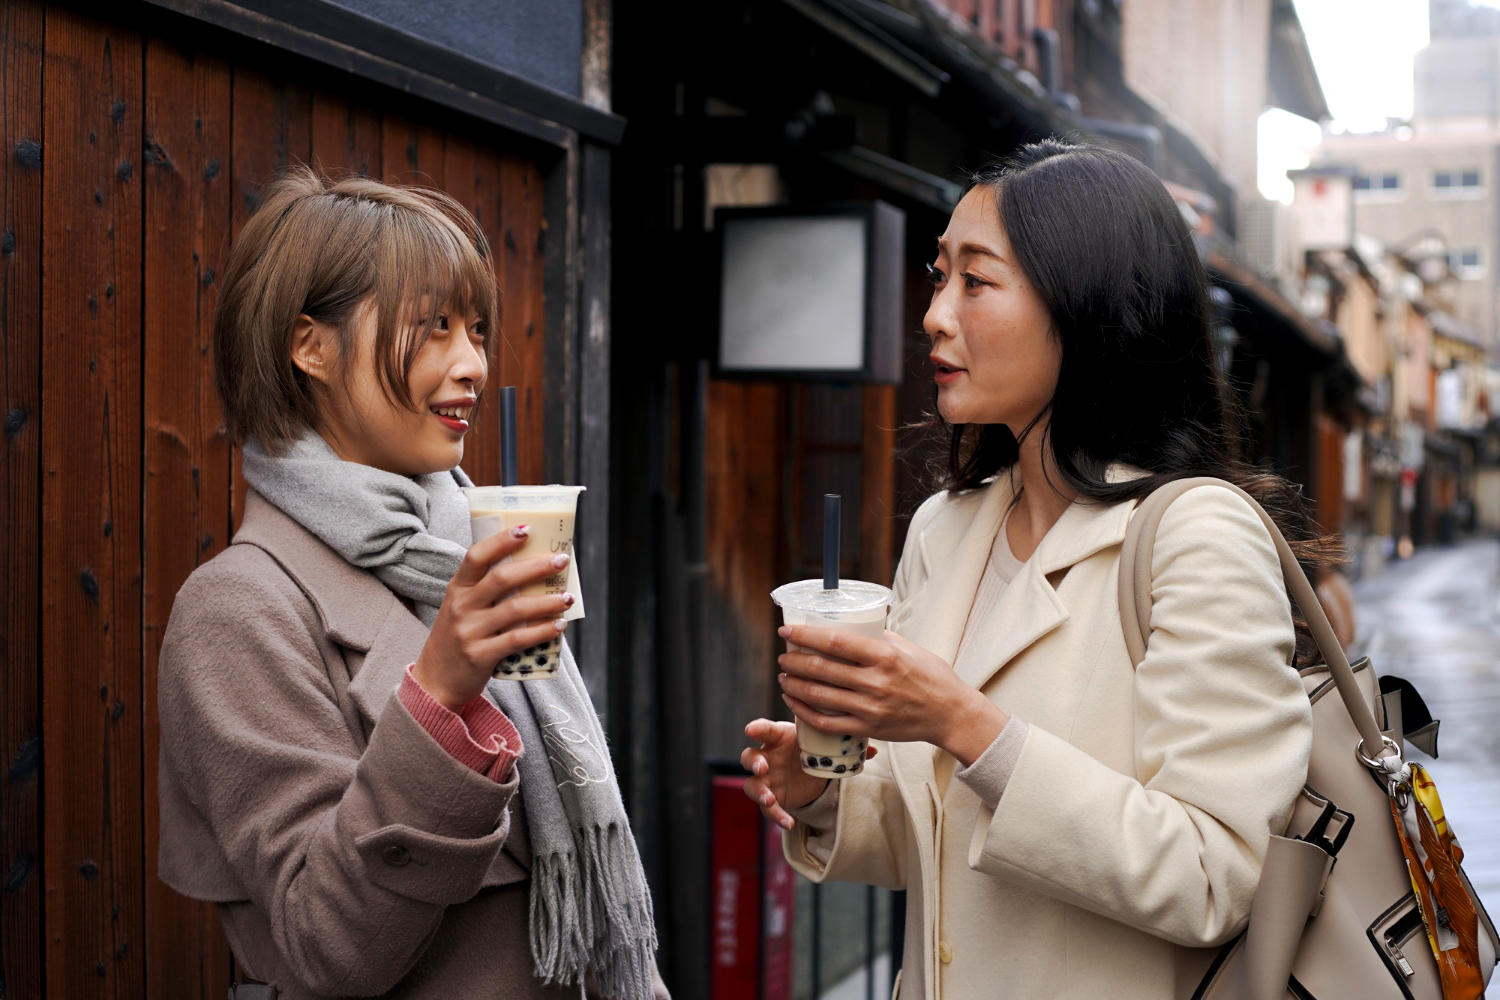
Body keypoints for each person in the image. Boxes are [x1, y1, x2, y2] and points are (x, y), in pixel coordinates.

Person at [740, 139, 1333, 1000]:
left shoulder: (1195, 534)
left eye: (975, 281)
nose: (935, 314)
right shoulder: (947, 528)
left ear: (1086, 308)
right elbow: (929, 840)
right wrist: (821, 791)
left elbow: (1214, 875)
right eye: (939, 276)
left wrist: (962, 722)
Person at [157, 167, 667, 1000]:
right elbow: (327, 946)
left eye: (475, 330)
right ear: (311, 347)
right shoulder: (237, 609)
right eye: (432, 328)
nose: (472, 364)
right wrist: (439, 694)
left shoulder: (455, 545)